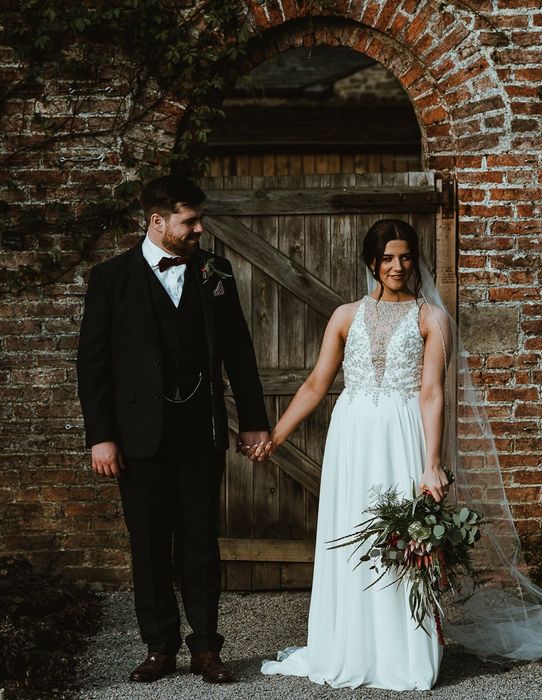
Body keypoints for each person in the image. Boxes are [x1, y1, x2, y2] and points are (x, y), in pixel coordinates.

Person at [76, 174, 271, 684]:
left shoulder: (215, 272)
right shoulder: (111, 278)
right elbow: (92, 365)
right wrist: (101, 435)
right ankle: (159, 646)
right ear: (157, 221)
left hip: (199, 433)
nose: (200, 229)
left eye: (199, 220)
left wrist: (252, 421)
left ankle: (207, 647)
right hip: (137, 439)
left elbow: (239, 352)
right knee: (148, 544)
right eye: (191, 221)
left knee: (201, 544)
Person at [254, 219, 452, 690]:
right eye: (387, 258)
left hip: (402, 433)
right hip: (352, 437)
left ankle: (403, 652)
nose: (397, 266)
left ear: (415, 260)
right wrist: (276, 436)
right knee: (351, 533)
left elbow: (431, 392)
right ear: (371, 263)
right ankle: (350, 645)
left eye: (405, 257)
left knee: (401, 539)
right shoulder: (345, 316)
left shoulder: (432, 318)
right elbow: (316, 384)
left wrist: (431, 462)